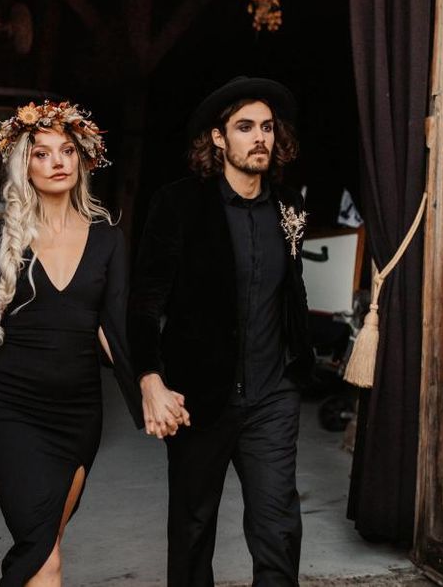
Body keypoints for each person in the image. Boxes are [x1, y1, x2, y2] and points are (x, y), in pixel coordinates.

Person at [0, 99, 143, 586]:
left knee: (44, 548)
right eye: (42, 153)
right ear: (23, 165)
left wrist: (150, 390)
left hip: (78, 415)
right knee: (43, 557)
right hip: (9, 409)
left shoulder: (109, 240)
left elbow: (114, 330)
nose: (58, 162)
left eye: (67, 150)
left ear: (82, 159)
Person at [128, 76, 314, 586]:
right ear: (218, 138)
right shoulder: (179, 204)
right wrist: (149, 377)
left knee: (278, 528)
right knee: (192, 531)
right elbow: (145, 302)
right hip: (199, 398)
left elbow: (290, 294)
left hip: (273, 398)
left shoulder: (289, 207)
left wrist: (301, 366)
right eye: (245, 126)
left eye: (268, 127)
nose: (260, 138)